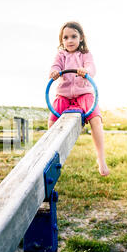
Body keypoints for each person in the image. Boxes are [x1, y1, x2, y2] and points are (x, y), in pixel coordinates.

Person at [48, 21, 109, 176]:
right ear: (62, 41)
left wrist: (85, 70)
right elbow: (55, 66)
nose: (70, 40)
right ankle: (50, 155)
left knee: (96, 119)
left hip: (84, 93)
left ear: (81, 37)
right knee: (53, 119)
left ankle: (101, 158)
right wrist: (55, 72)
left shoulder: (85, 54)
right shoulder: (61, 55)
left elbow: (91, 68)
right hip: (64, 95)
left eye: (73, 36)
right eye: (66, 37)